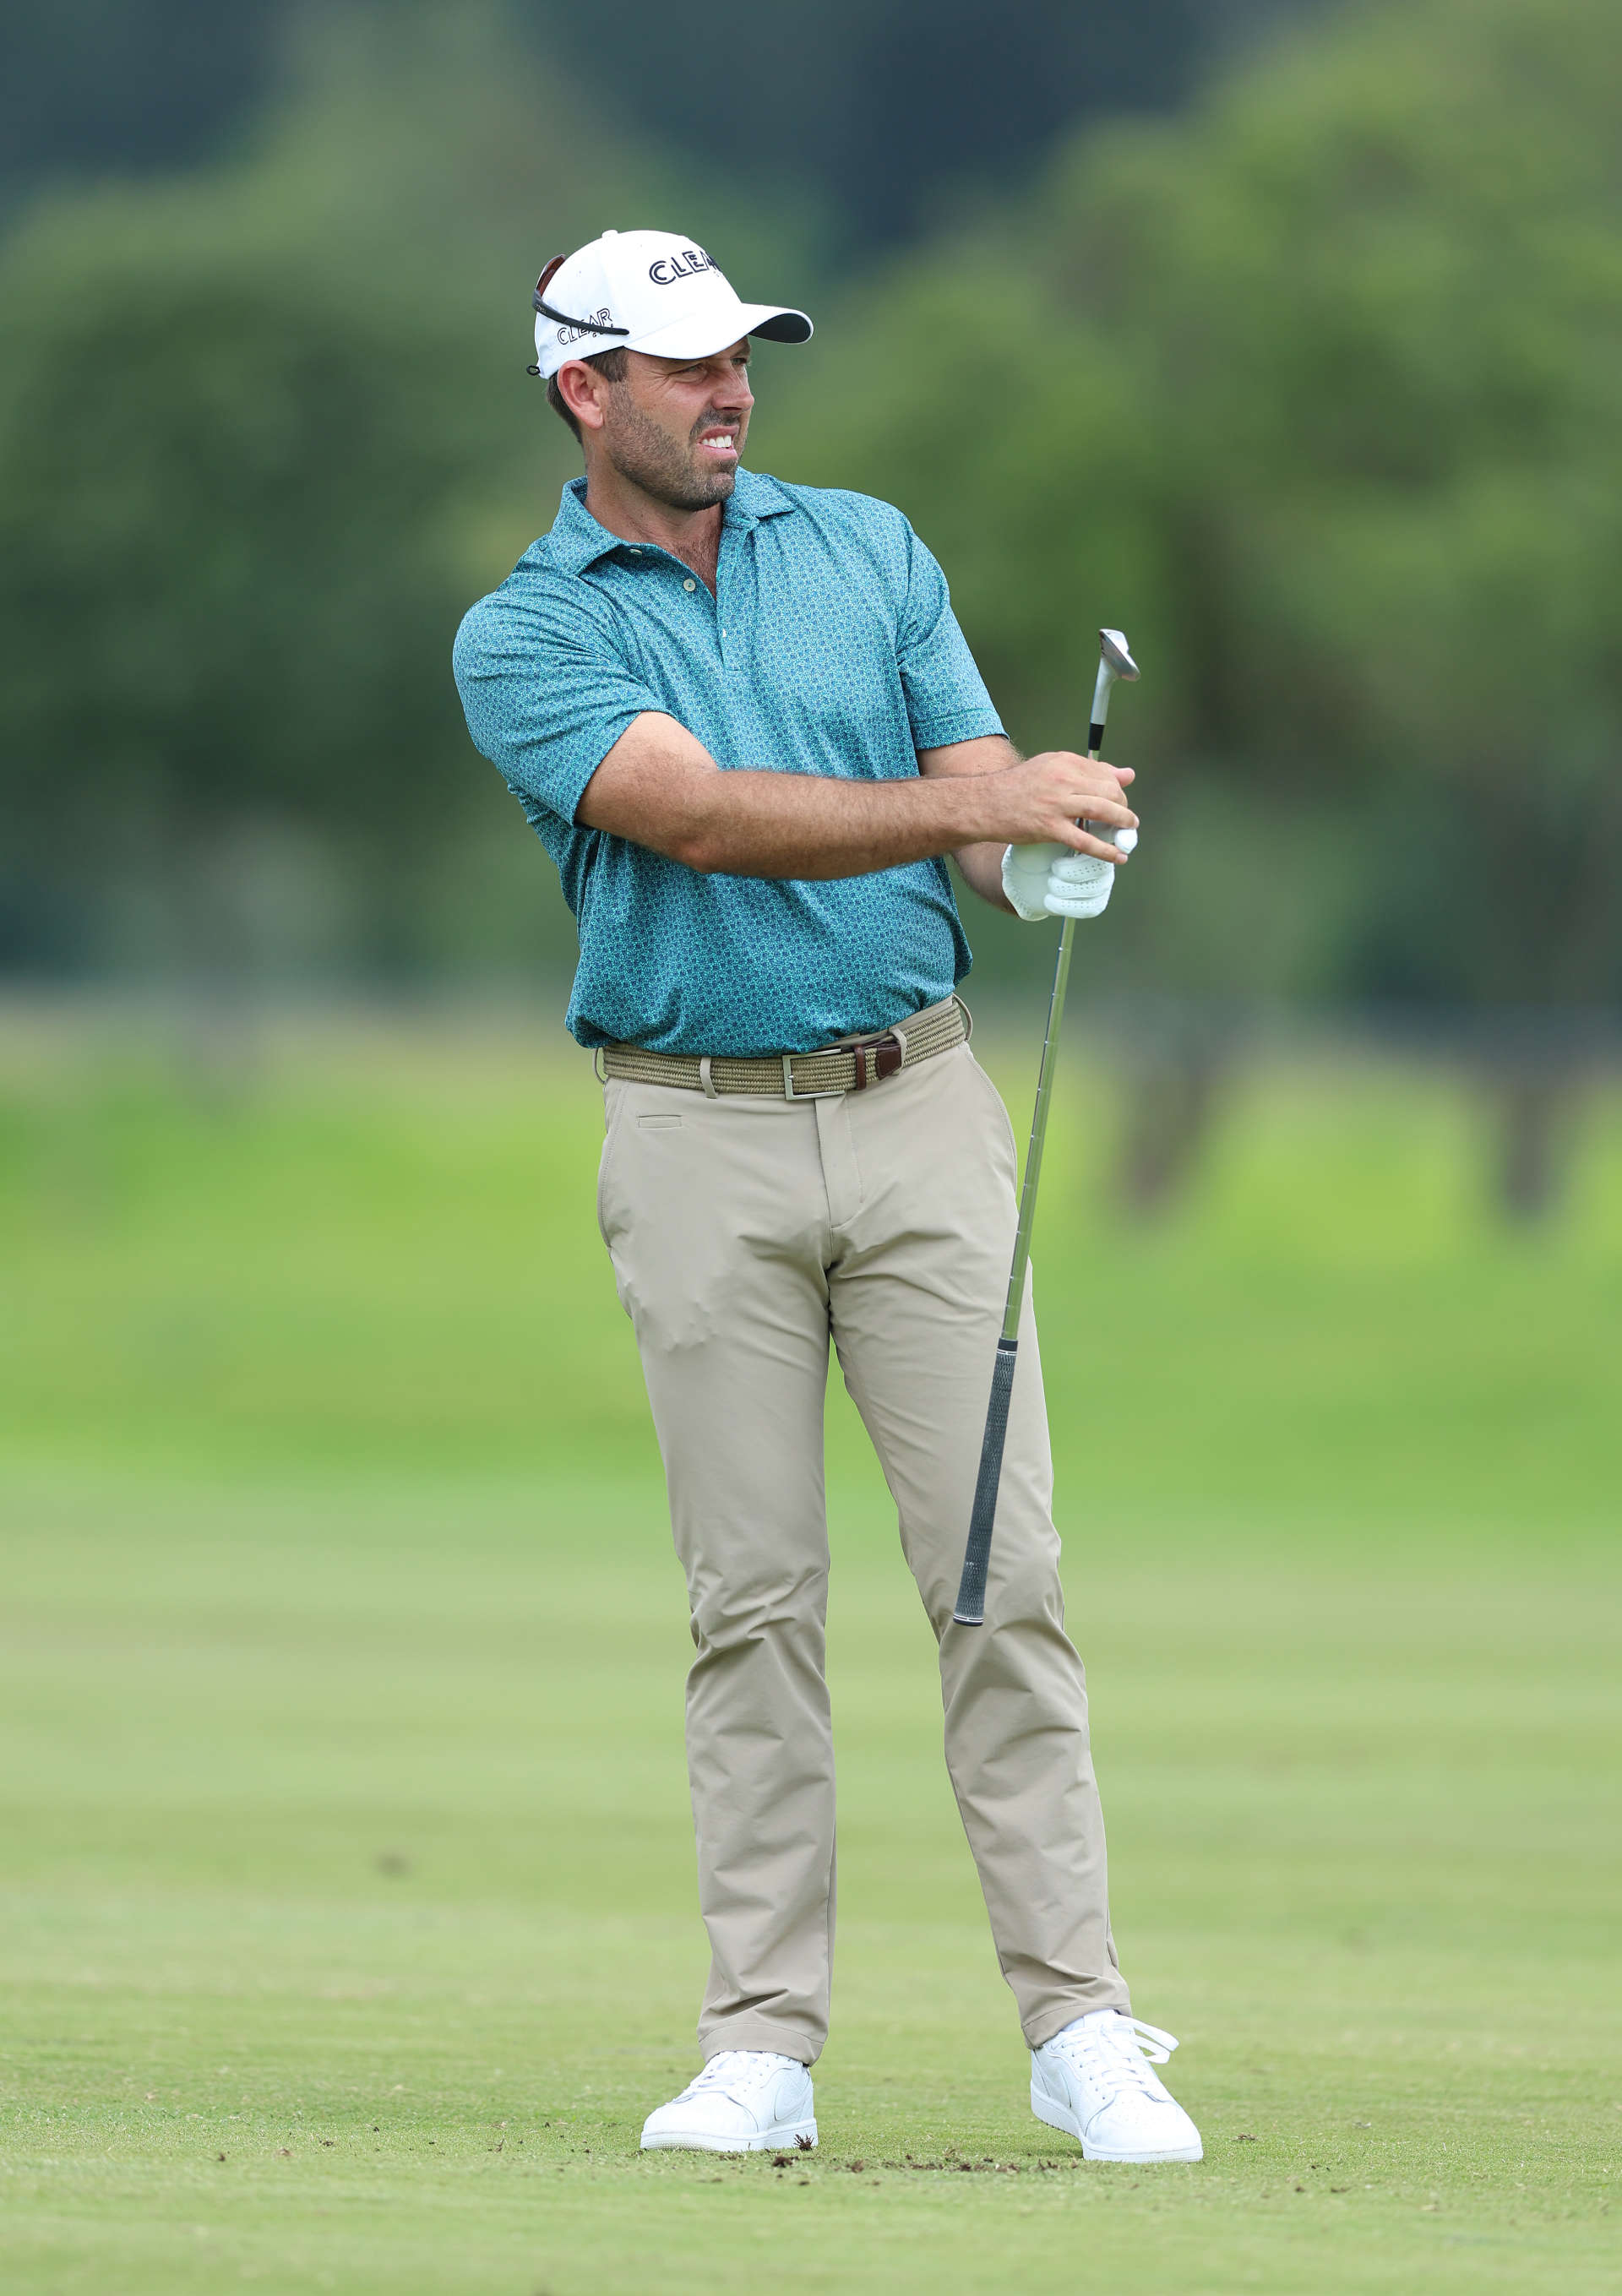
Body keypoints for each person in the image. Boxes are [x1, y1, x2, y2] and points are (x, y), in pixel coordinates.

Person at [453, 228, 1201, 2167]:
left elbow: (971, 798)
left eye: (745, 356)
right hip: (691, 1130)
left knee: (1003, 1584)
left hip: (925, 1110)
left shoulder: (871, 548)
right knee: (753, 1603)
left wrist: (1046, 847)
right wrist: (986, 807)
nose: (733, 390)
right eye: (688, 364)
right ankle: (763, 2044)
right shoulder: (526, 631)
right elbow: (699, 812)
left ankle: (1083, 2028)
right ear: (583, 392)